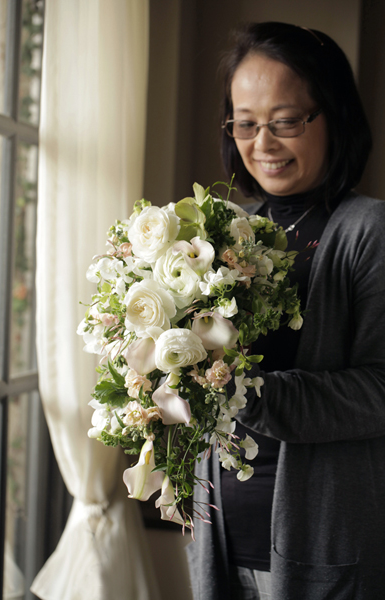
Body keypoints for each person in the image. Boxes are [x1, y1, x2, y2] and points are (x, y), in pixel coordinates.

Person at [186, 22, 385, 600]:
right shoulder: (220, 231)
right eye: (246, 123)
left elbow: (379, 388)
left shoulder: (368, 230)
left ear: (334, 116)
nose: (263, 143)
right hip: (220, 540)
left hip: (323, 547)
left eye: (286, 121)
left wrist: (247, 393)